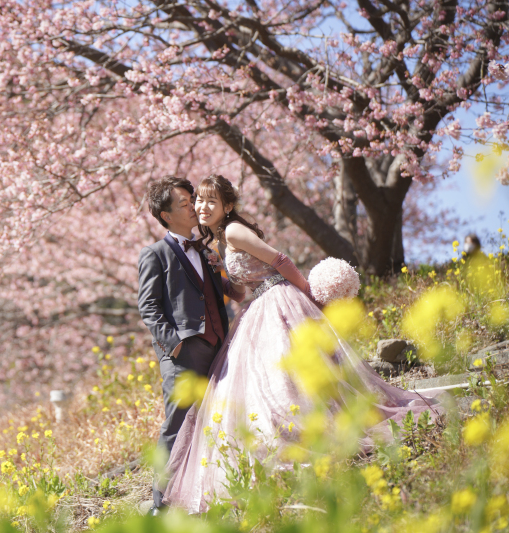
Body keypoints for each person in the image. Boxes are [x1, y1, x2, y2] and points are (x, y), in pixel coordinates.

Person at [161, 174, 448, 514]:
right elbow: (243, 293)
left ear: (229, 206)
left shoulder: (235, 231)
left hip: (280, 303)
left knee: (289, 373)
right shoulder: (222, 241)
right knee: (271, 378)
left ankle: (311, 433)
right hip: (258, 307)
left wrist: (310, 295)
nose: (201, 207)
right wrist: (221, 278)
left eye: (211, 201)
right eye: (199, 201)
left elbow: (280, 262)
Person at [137, 175, 244, 515]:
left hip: (218, 347)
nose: (194, 207)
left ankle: (205, 490)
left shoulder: (206, 250)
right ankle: (159, 501)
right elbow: (149, 308)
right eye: (184, 204)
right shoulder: (155, 254)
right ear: (166, 215)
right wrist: (175, 345)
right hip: (183, 354)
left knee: (215, 419)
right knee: (177, 422)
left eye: (192, 200)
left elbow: (220, 294)